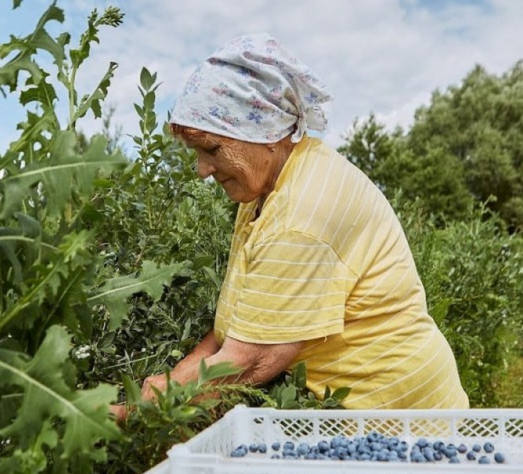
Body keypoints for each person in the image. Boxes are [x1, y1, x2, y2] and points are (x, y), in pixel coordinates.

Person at [113, 32, 467, 420]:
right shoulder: (267, 187)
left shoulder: (302, 211)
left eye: (212, 149)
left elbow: (249, 360)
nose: (201, 170)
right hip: (364, 408)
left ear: (263, 133)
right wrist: (181, 373)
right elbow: (245, 317)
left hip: (401, 415)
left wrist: (131, 414)